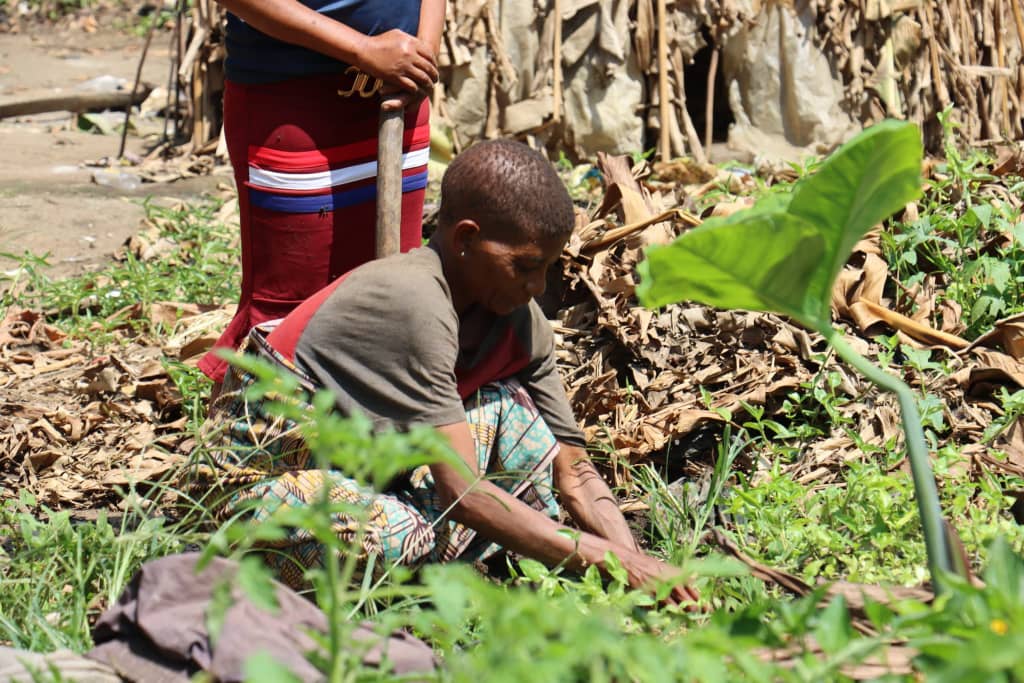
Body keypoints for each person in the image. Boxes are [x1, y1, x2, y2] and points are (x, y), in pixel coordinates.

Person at [198, 140, 699, 605]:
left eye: (546, 266)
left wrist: (638, 563)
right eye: (524, 266)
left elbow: (575, 471)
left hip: (372, 474)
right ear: (466, 239)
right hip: (264, 490)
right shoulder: (416, 301)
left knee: (512, 410)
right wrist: (611, 561)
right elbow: (462, 493)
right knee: (386, 535)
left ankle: (456, 560)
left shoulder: (518, 324)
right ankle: (438, 571)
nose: (537, 286)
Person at [198, 0, 446, 387]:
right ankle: (255, 439)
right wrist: (364, 50)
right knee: (290, 311)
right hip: (296, 102)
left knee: (394, 294)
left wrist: (423, 53)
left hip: (401, 91)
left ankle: (373, 432)